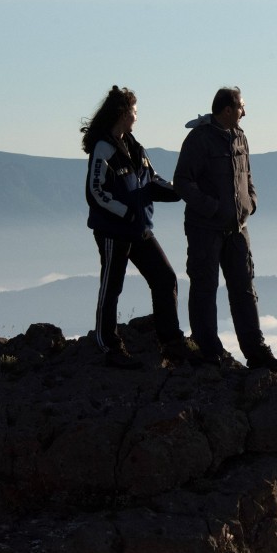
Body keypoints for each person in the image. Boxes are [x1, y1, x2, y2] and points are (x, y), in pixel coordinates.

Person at [173, 86, 277, 372]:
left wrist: (251, 202)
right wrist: (211, 208)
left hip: (237, 229)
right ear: (227, 110)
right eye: (241, 107)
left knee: (244, 288)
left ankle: (256, 352)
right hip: (205, 229)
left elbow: (247, 174)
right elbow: (182, 181)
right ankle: (209, 350)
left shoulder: (240, 137)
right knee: (204, 287)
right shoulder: (199, 139)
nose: (244, 112)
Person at [81, 85, 189, 368]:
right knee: (112, 286)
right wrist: (125, 212)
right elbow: (95, 192)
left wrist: (180, 190)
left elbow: (151, 180)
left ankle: (171, 343)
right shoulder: (103, 149)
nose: (137, 117)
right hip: (114, 232)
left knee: (165, 279)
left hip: (139, 229)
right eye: (135, 112)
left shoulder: (135, 146)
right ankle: (108, 345)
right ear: (123, 113)